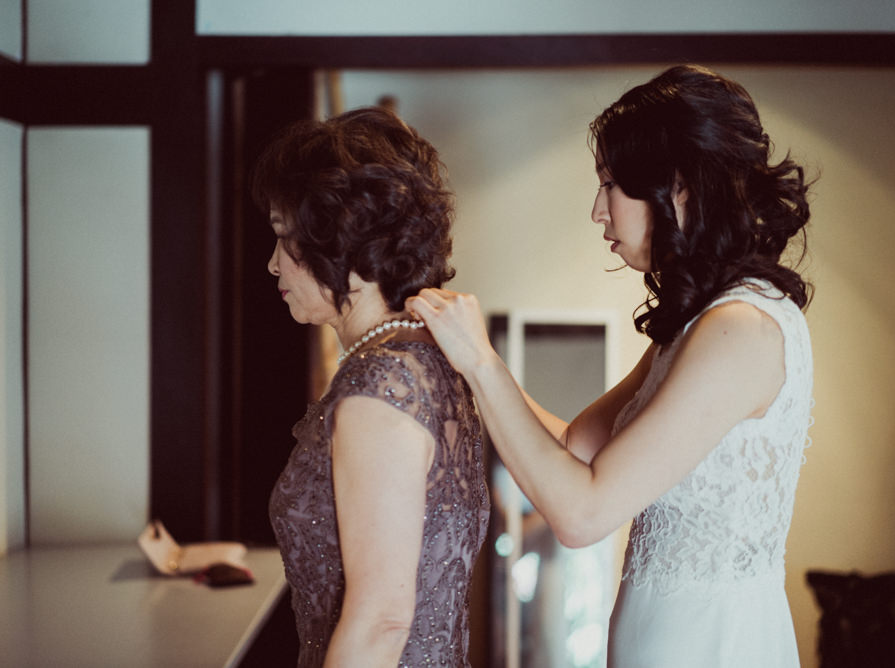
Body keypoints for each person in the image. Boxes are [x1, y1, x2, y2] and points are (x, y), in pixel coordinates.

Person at [408, 64, 814, 667]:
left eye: (611, 185)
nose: (599, 211)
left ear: (679, 188)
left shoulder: (742, 329)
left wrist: (481, 360)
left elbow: (582, 513)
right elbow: (577, 448)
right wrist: (468, 371)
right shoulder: (701, 321)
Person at [256, 106, 490, 667]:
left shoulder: (380, 387)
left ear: (344, 248)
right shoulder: (428, 360)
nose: (272, 265)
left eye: (284, 239)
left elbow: (381, 621)